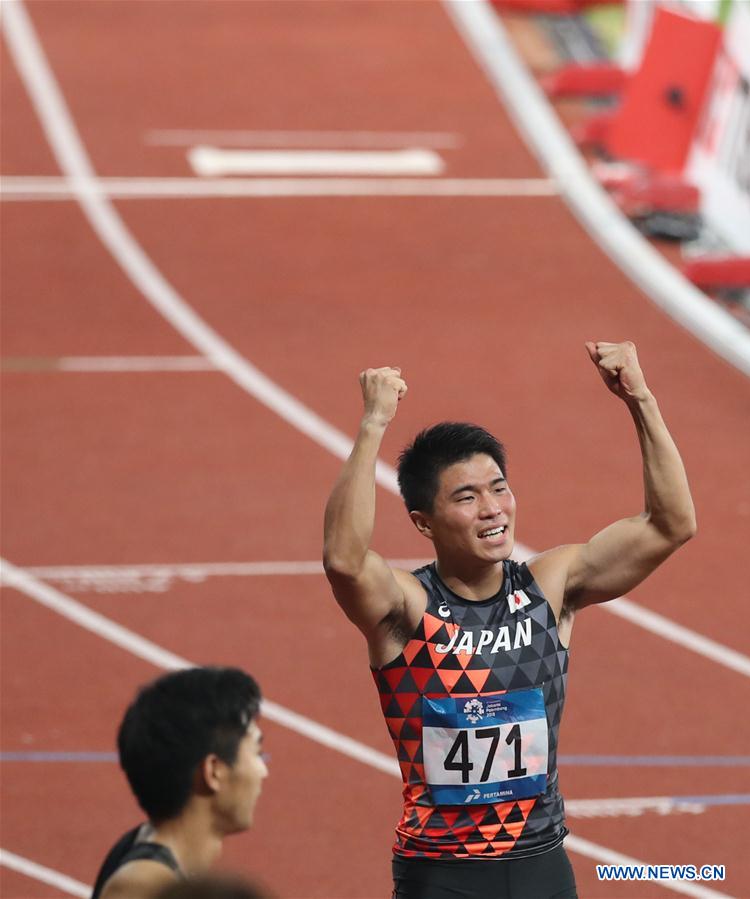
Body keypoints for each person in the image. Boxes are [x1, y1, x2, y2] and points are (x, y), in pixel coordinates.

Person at [323, 342, 695, 899]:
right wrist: (374, 421)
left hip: (543, 866)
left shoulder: (551, 587)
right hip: (442, 876)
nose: (493, 508)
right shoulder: (405, 609)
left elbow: (671, 524)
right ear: (424, 524)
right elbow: (343, 559)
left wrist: (640, 399)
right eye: (467, 498)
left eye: (499, 488)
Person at [91, 666, 268, 899]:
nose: (263, 771)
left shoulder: (157, 860)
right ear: (213, 771)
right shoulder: (143, 886)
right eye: (257, 752)